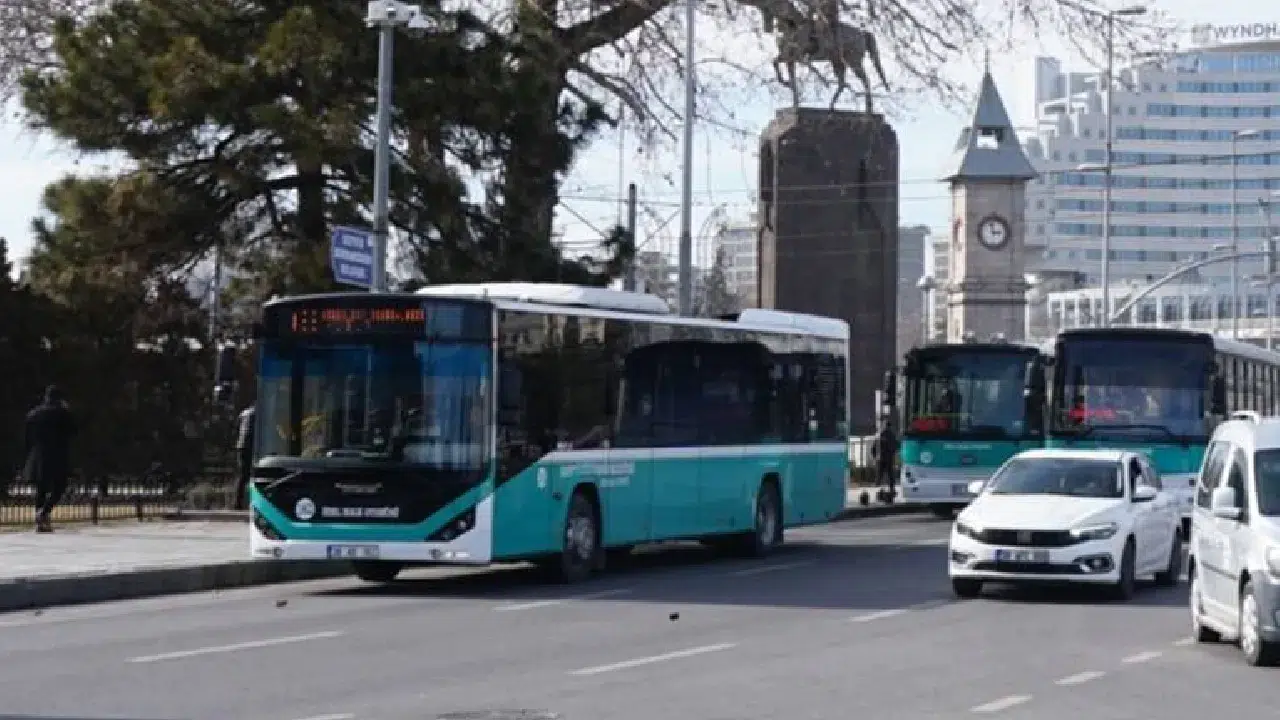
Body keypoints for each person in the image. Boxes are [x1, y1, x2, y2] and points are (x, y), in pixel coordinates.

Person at [24, 385, 76, 533]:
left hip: (38, 455)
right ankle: (44, 512)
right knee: (60, 486)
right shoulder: (62, 413)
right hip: (58, 454)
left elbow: (27, 438)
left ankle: (40, 521)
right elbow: (73, 431)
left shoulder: (33, 414)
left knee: (41, 489)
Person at [234, 404, 256, 510]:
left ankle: (238, 503)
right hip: (252, 446)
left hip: (241, 445)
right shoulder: (258, 413)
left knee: (242, 475)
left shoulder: (244, 413)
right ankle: (250, 502)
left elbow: (237, 428)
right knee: (255, 474)